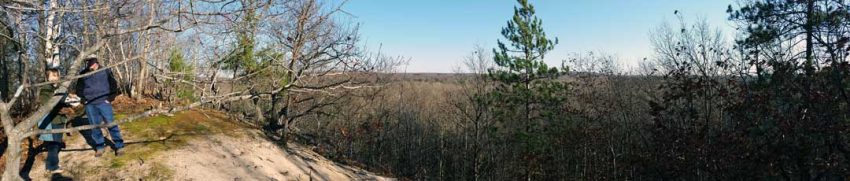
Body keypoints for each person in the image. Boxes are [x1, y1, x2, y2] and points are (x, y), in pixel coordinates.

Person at [75, 55, 124, 157]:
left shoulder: (105, 71)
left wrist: (110, 98)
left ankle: (119, 145)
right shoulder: (83, 74)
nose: (89, 65)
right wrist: (84, 100)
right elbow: (79, 89)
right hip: (90, 104)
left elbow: (113, 85)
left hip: (103, 102)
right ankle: (100, 147)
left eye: (91, 62)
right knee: (94, 126)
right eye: (87, 63)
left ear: (96, 62)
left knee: (111, 124)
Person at [37, 68, 81, 174]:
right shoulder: (46, 89)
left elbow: (65, 99)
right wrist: (62, 109)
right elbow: (46, 103)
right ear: (47, 77)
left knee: (56, 142)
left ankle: (52, 163)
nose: (55, 78)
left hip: (60, 119)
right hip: (52, 120)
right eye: (52, 75)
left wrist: (71, 99)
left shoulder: (60, 88)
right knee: (54, 144)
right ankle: (52, 167)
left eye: (56, 75)